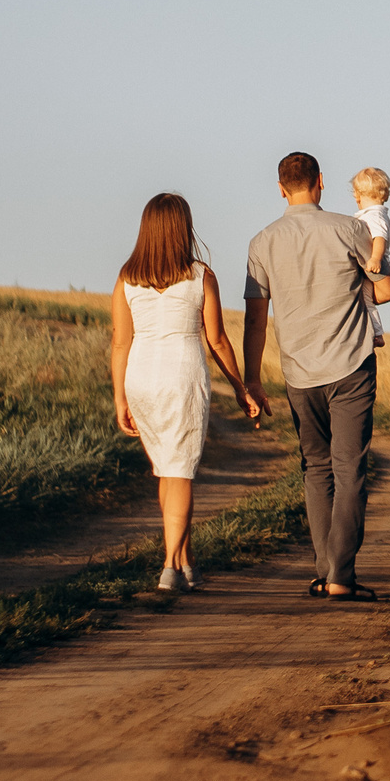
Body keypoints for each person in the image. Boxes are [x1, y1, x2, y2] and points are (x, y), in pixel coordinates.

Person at [243, 150, 390, 601]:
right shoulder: (349, 228)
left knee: (316, 468)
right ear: (321, 183)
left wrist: (252, 380)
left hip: (298, 372)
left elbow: (255, 319)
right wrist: (355, 286)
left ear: (280, 188)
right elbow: (386, 290)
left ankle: (323, 566)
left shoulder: (261, 242)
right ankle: (340, 576)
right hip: (351, 364)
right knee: (350, 469)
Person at [109, 192, 260, 592]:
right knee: (179, 472)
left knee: (167, 469)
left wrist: (120, 398)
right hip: (182, 375)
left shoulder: (127, 277)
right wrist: (241, 389)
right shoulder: (200, 275)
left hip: (140, 377)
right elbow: (218, 340)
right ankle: (169, 566)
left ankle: (187, 562)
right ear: (183, 228)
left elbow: (120, 343)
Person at [351, 167, 390, 349]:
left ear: (359, 195)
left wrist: (375, 259)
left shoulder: (374, 216)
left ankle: (376, 333)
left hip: (372, 268)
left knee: (366, 300)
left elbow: (379, 238)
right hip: (372, 266)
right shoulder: (378, 215)